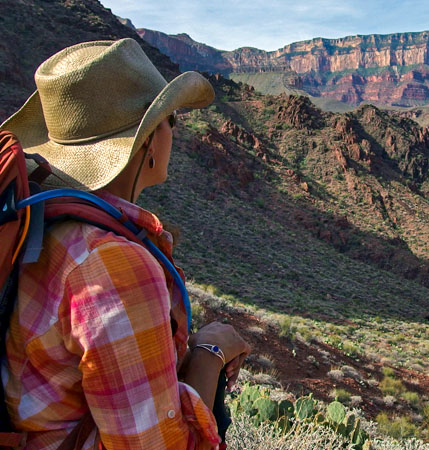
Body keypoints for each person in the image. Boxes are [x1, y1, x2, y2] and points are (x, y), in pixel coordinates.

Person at [0, 38, 251, 448]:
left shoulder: (41, 225)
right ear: (149, 140)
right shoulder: (111, 265)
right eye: (172, 120)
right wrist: (209, 354)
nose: (175, 131)